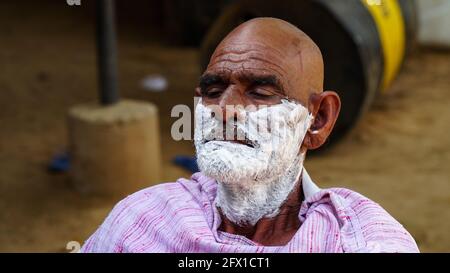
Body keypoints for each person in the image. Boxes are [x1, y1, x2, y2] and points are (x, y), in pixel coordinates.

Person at [81, 18, 419, 253]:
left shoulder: (360, 241)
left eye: (259, 92)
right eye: (213, 90)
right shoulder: (142, 220)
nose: (224, 110)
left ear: (318, 120)